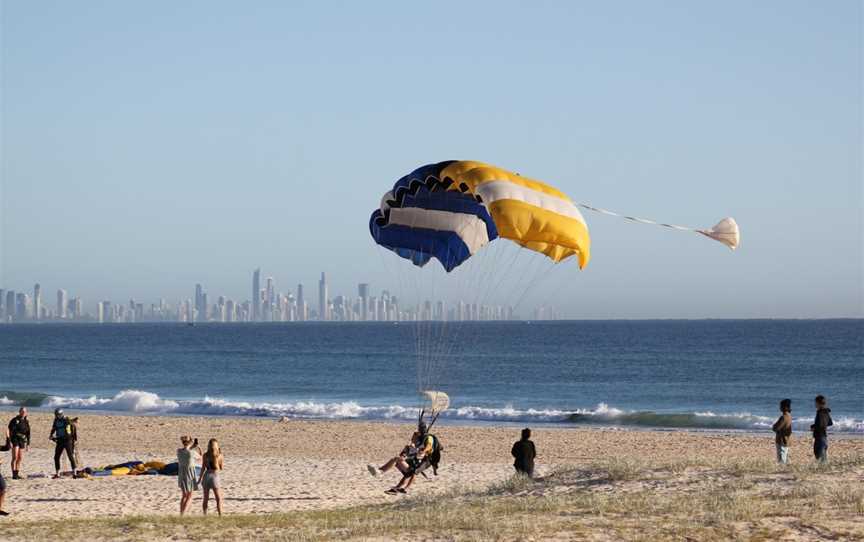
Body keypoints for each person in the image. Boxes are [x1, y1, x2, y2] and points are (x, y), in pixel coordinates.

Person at [49, 409, 78, 479]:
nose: (56, 416)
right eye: (56, 415)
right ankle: (57, 474)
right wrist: (51, 435)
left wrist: (58, 438)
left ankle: (74, 473)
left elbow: (68, 432)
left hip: (67, 441)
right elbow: (54, 428)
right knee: (56, 457)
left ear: (61, 414)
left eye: (57, 415)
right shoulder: (56, 420)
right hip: (60, 441)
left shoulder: (66, 420)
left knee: (70, 456)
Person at [198, 439, 224, 516]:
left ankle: (205, 515)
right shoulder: (219, 455)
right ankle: (220, 515)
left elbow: (203, 468)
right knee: (218, 498)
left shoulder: (205, 455)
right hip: (215, 476)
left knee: (205, 498)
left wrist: (199, 479)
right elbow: (221, 468)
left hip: (206, 476)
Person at [177, 436, 202, 515]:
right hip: (190, 474)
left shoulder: (178, 451)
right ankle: (183, 513)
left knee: (184, 495)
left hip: (181, 474)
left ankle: (181, 513)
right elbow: (200, 457)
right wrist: (198, 447)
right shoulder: (192, 452)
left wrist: (192, 446)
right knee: (190, 495)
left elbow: (186, 450)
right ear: (190, 442)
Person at [7, 408, 30, 480]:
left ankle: (17, 474)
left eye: (25, 411)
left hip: (22, 440)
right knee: (15, 457)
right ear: (19, 412)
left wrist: (28, 444)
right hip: (15, 439)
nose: (23, 412)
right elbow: (8, 430)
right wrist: (9, 441)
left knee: (20, 458)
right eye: (22, 411)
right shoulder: (15, 420)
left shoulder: (26, 421)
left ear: (26, 413)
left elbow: (28, 433)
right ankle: (13, 474)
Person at [811, 395, 833, 464]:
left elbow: (820, 425)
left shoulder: (820, 412)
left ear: (818, 403)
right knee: (823, 456)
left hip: (819, 437)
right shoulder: (826, 412)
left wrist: (814, 427)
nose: (815, 404)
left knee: (819, 455)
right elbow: (830, 423)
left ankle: (823, 470)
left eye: (815, 403)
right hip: (824, 437)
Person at [771, 399, 793, 464]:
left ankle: (782, 472)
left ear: (785, 407)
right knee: (785, 457)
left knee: (781, 459)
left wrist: (774, 427)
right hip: (787, 440)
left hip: (781, 440)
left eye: (781, 406)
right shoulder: (789, 416)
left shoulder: (783, 417)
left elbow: (776, 428)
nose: (780, 407)